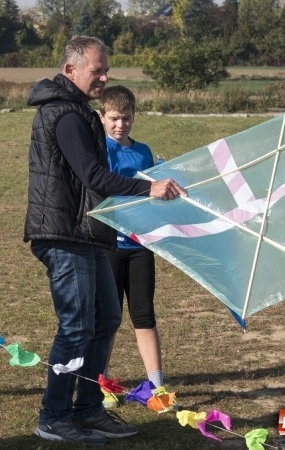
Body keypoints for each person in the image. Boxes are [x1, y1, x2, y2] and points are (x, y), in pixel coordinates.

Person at [24, 36, 187, 445]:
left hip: (89, 232)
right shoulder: (64, 115)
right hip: (64, 233)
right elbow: (92, 175)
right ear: (70, 70)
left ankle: (89, 410)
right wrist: (147, 188)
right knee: (77, 325)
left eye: (106, 70)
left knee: (107, 318)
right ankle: (53, 416)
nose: (104, 77)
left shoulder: (79, 111)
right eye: (97, 71)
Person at [98, 85, 171, 409]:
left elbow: (153, 192)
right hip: (109, 244)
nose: (120, 125)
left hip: (141, 245)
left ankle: (158, 387)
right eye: (114, 118)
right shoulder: (98, 150)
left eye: (126, 118)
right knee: (108, 319)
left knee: (144, 314)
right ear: (102, 117)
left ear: (134, 117)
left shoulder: (143, 152)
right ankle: (101, 384)